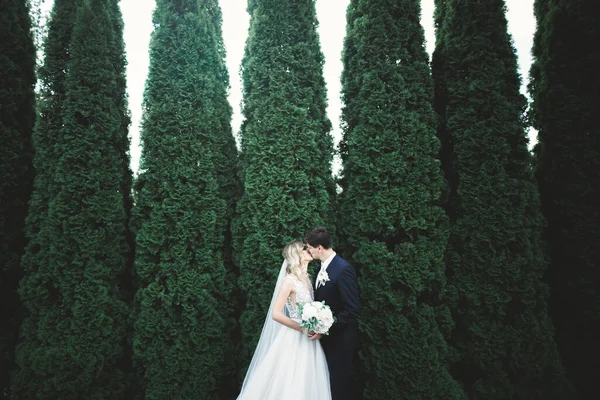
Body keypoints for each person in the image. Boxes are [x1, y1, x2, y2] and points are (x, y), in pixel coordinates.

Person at [237, 241, 331, 400]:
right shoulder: (289, 281)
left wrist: (318, 324)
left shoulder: (308, 280)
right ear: (296, 255)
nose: (308, 250)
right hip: (293, 337)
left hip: (310, 340)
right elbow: (276, 313)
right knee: (290, 380)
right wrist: (301, 328)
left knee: (309, 380)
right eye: (304, 249)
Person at [304, 227, 360, 400]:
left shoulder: (343, 269)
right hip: (325, 343)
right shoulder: (321, 268)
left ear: (320, 248)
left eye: (309, 248)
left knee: (337, 389)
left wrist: (325, 328)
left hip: (340, 343)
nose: (308, 251)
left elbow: (352, 309)